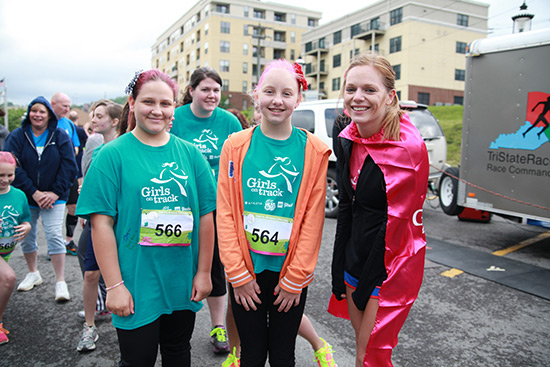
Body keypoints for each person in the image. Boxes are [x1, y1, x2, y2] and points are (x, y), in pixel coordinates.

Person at [76, 70, 216, 366]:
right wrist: (114, 286)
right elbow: (101, 224)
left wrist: (204, 273)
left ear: (174, 108)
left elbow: (205, 216)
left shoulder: (191, 155)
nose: (157, 110)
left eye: (165, 103)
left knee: (178, 352)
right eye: (148, 101)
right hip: (135, 282)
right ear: (132, 102)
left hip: (181, 280)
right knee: (137, 359)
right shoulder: (110, 156)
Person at [217, 59, 330, 367]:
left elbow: (312, 219)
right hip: (246, 272)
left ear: (298, 98)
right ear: (257, 94)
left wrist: (296, 278)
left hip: (289, 274)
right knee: (251, 354)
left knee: (282, 355)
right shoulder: (235, 146)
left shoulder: (315, 151)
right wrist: (237, 274)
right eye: (269, 91)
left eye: (286, 93)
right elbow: (226, 212)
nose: (277, 100)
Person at [329, 51, 429, 367]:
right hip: (353, 260)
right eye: (351, 89)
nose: (358, 97)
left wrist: (370, 281)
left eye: (369, 90)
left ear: (390, 96)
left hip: (390, 268)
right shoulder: (346, 135)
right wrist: (338, 266)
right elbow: (347, 206)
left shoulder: (408, 150)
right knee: (365, 353)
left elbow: (398, 227)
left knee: (371, 356)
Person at [171, 67, 242, 355]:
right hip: (179, 205)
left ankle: (218, 327)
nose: (211, 95)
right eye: (205, 89)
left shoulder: (228, 122)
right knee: (178, 261)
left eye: (216, 90)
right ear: (191, 91)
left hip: (216, 205)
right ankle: (172, 320)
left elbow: (240, 160)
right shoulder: (176, 119)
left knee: (214, 267)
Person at [3, 96, 77, 301]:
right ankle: (33, 272)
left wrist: (54, 192)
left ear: (49, 115)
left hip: (56, 197)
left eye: (42, 111)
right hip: (27, 196)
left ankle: (60, 281)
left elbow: (70, 166)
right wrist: (33, 192)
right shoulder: (18, 136)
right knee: (27, 235)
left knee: (54, 235)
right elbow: (11, 166)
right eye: (34, 111)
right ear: (29, 113)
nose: (37, 115)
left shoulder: (60, 135)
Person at [75, 100, 122, 353]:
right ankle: (89, 327)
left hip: (121, 222)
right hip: (97, 219)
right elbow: (87, 178)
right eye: (93, 116)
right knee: (90, 273)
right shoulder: (94, 144)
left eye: (100, 116)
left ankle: (128, 324)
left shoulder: (125, 147)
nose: (93, 120)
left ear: (115, 121)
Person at [0, 152, 32, 345]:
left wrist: (27, 227)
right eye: (0, 176)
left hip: (7, 251)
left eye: (9, 175)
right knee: (8, 278)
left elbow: (26, 219)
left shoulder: (19, 195)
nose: (5, 180)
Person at [51, 92, 81, 256]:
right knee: (52, 210)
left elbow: (76, 147)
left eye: (69, 106)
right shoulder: (45, 123)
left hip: (70, 173)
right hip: (52, 176)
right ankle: (53, 246)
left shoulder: (69, 124)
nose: (67, 109)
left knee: (73, 208)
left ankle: (69, 240)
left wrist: (68, 153)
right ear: (53, 103)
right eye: (64, 106)